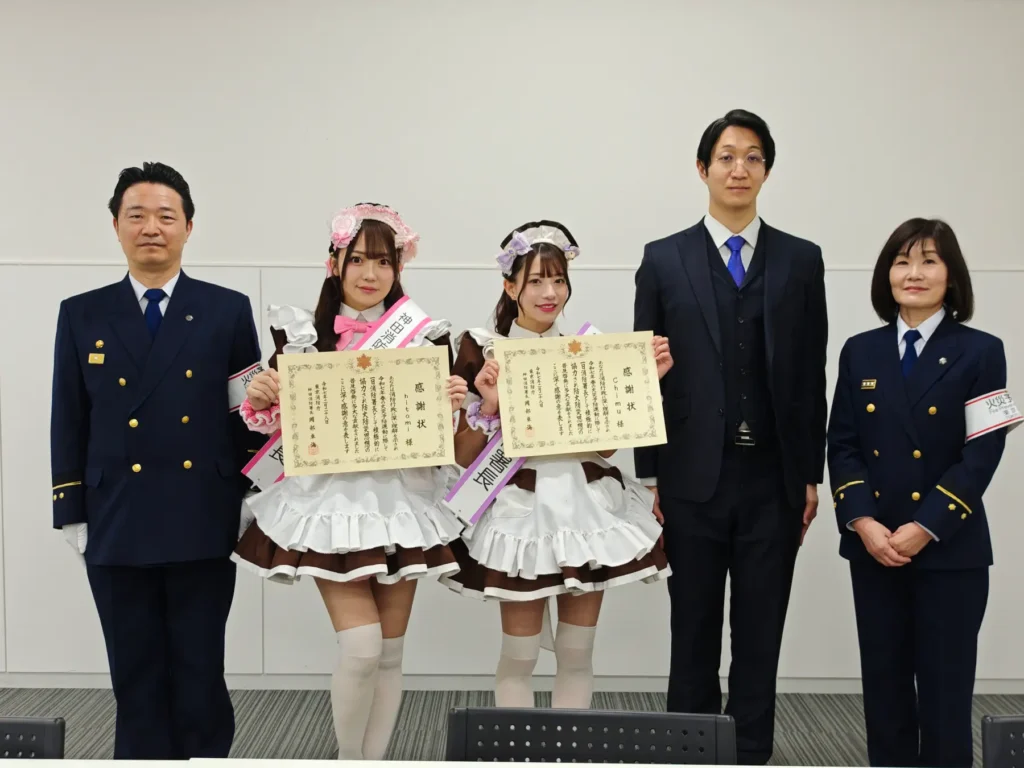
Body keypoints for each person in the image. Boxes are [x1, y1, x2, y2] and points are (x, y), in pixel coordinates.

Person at [233, 202, 468, 760]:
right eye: (358, 259)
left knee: (389, 652)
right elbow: (278, 431)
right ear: (333, 262)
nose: (370, 274)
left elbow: (442, 442)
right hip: (329, 503)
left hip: (401, 499)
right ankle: (347, 759)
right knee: (361, 648)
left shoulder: (426, 336)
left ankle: (375, 760)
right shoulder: (300, 336)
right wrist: (264, 397)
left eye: (383, 262)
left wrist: (450, 407)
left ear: (398, 268)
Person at [49, 161, 266, 758]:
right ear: (116, 225)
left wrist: (250, 496)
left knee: (199, 670)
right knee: (135, 673)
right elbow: (68, 415)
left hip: (202, 510)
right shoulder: (82, 312)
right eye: (136, 215)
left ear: (188, 227)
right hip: (114, 514)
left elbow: (246, 413)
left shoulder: (226, 308)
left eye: (166, 216)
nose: (151, 227)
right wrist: (71, 508)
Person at [632, 109, 828, 764]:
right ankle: (688, 753)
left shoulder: (802, 260)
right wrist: (652, 474)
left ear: (766, 170)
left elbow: (810, 372)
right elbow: (644, 376)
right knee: (691, 629)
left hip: (773, 478)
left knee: (759, 632)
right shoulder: (662, 260)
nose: (738, 168)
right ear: (702, 169)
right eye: (725, 156)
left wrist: (810, 474)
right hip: (691, 478)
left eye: (751, 156)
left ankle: (750, 755)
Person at [440, 220, 674, 710]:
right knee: (520, 655)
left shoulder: (589, 351)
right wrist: (488, 402)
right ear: (510, 286)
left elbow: (606, 449)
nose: (550, 293)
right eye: (536, 281)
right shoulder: (480, 349)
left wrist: (644, 385)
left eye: (559, 280)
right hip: (518, 506)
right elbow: (461, 456)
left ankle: (571, 759)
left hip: (586, 502)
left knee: (576, 652)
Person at [827, 218, 1017, 768]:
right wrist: (864, 522)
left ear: (951, 274)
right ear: (886, 274)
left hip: (949, 548)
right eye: (902, 261)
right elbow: (843, 445)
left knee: (944, 693)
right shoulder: (860, 351)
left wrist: (925, 526)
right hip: (875, 546)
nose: (914, 273)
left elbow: (982, 453)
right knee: (884, 691)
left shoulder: (982, 350)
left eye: (929, 260)